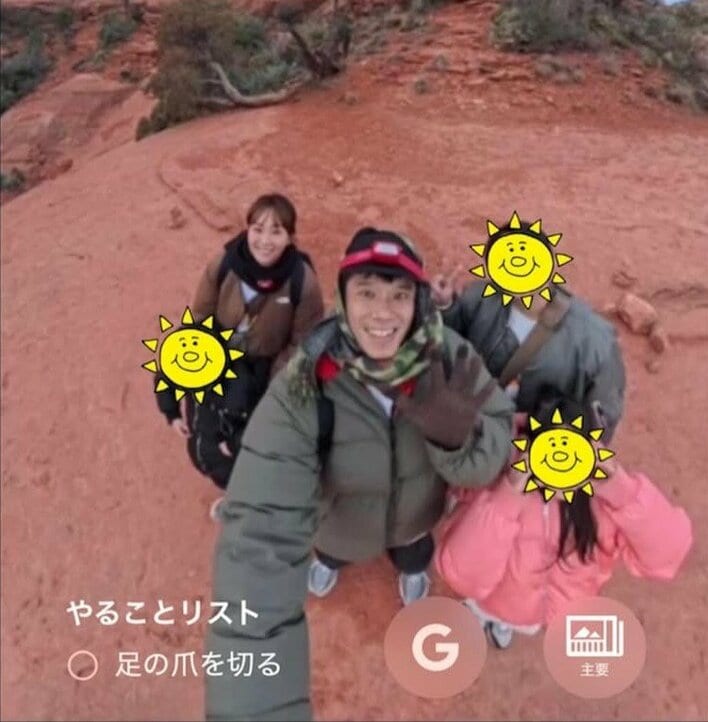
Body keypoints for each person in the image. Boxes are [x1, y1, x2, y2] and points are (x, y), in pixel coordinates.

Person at [205, 228, 515, 721]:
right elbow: (258, 537)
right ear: (343, 300)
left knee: (414, 555)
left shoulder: (451, 358)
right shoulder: (305, 381)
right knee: (332, 551)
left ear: (418, 301)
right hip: (339, 527)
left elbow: (492, 452)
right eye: (366, 293)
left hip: (415, 519)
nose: (382, 313)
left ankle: (410, 570)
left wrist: (451, 433)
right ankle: (329, 562)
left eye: (399, 295)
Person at [435, 395, 693, 650]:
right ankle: (497, 621)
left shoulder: (606, 506)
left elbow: (666, 556)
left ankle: (502, 622)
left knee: (516, 621)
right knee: (492, 612)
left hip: (559, 607)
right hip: (496, 602)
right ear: (527, 451)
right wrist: (508, 495)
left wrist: (620, 488)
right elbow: (462, 574)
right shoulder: (494, 482)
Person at [156, 193, 324, 515]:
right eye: (258, 229)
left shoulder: (303, 283)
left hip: (267, 375)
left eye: (276, 231)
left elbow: (302, 346)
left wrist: (272, 396)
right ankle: (237, 495)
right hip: (218, 365)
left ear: (290, 237)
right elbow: (198, 325)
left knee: (257, 446)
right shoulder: (224, 266)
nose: (265, 240)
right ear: (247, 229)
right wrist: (171, 404)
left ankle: (259, 502)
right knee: (209, 444)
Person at [431, 216, 626, 441]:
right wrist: (446, 307)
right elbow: (452, 345)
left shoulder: (595, 340)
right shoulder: (478, 299)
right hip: (475, 434)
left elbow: (602, 417)